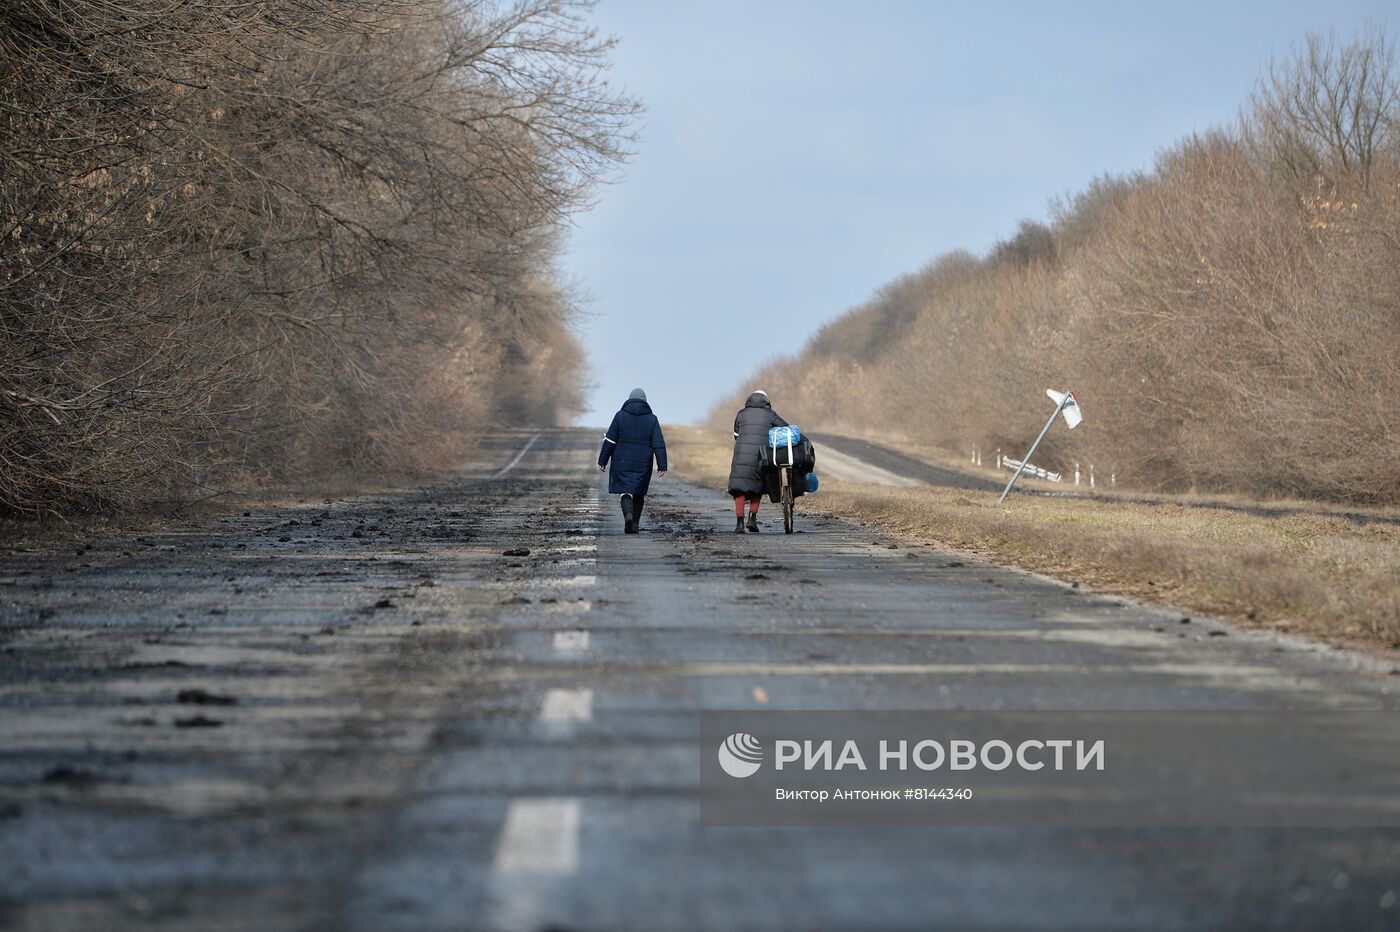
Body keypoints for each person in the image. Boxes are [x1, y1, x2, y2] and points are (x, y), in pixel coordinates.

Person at [598, 388, 667, 534]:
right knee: (639, 492)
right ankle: (634, 524)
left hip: (621, 461)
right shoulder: (652, 419)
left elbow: (610, 440)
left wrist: (602, 460)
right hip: (643, 463)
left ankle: (628, 516)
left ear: (629, 400)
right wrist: (662, 465)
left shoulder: (619, 416)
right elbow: (658, 443)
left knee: (625, 491)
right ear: (645, 402)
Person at [727, 390, 787, 533]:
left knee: (739, 488)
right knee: (757, 486)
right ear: (766, 401)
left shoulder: (741, 414)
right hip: (761, 454)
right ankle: (752, 518)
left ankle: (739, 523)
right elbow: (786, 429)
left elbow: (736, 434)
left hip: (741, 454)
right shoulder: (770, 414)